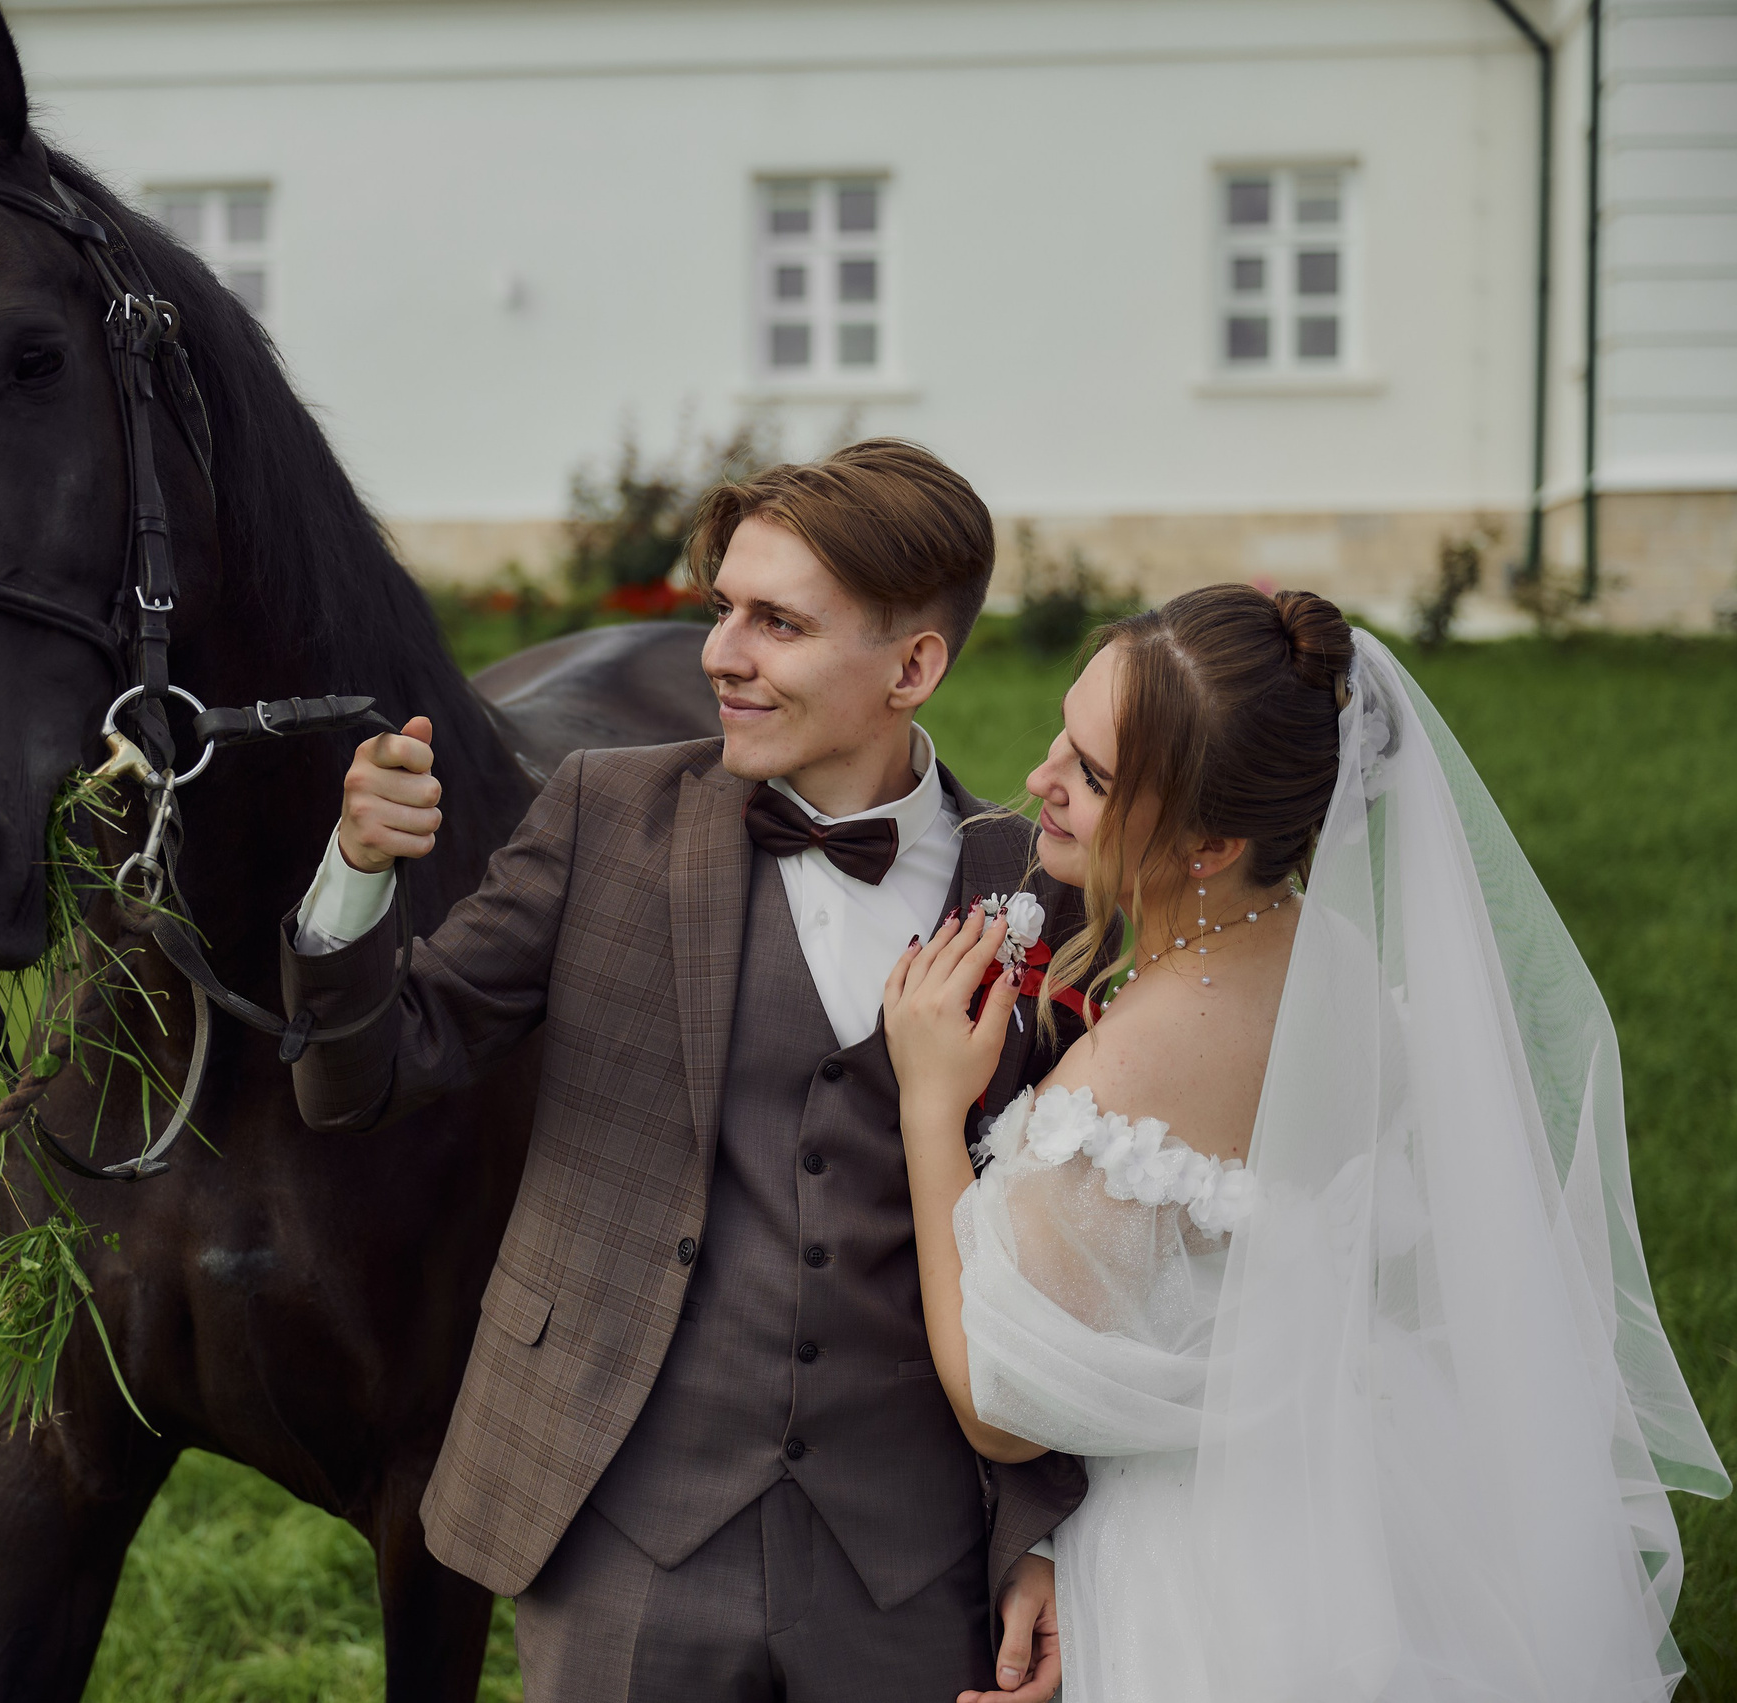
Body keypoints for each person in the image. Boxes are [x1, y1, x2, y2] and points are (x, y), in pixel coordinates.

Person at [280, 438, 1093, 1702]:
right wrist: (355, 875)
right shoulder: (603, 814)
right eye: (723, 609)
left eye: (778, 622)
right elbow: (364, 1077)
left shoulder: (1033, 890)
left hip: (911, 1553)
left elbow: (1071, 1266)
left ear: (913, 667)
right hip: (621, 1524)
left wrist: (1037, 1533)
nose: (720, 652)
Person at [881, 585, 1729, 1703]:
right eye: (1064, 735)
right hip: (1354, 1512)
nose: (1040, 777)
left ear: (1211, 841)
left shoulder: (1135, 1067)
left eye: (1091, 774)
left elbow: (999, 1407)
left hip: (1197, 1571)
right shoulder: (1333, 963)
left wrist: (928, 1106)